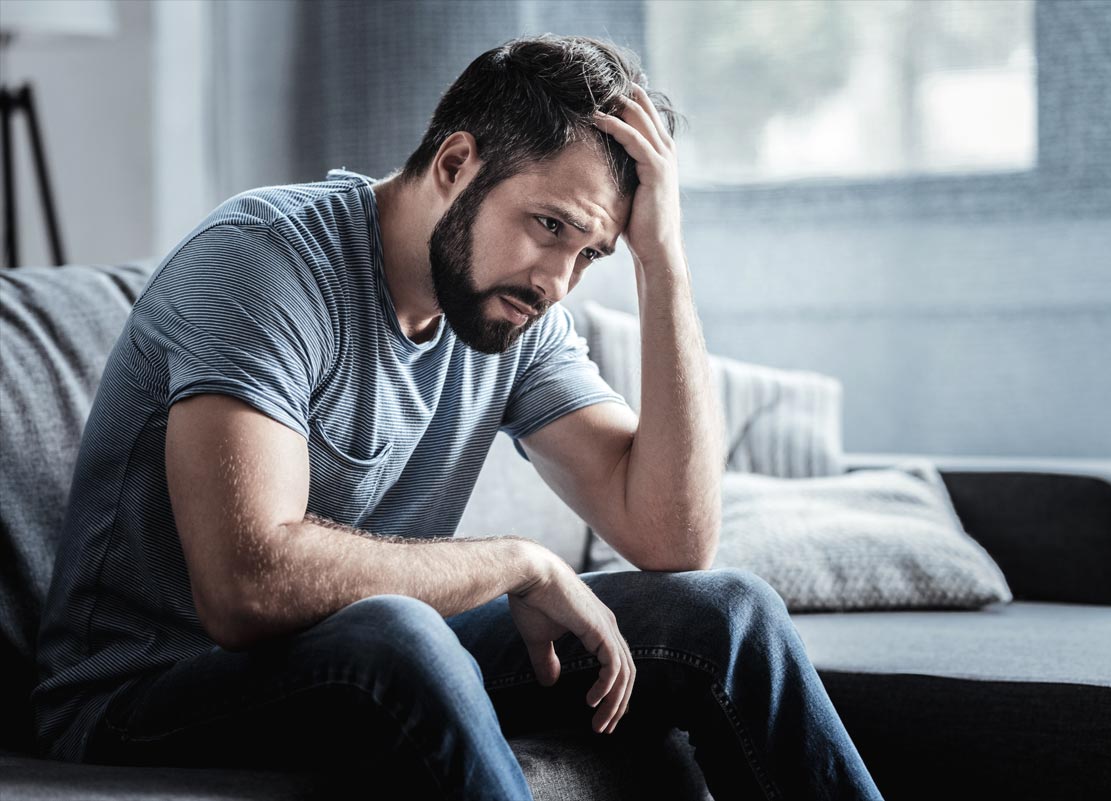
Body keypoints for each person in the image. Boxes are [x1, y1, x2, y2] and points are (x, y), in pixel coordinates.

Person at [32, 34, 883, 800]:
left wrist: (666, 261)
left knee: (726, 613)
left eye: (589, 253)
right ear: (455, 163)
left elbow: (671, 535)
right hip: (143, 690)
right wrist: (516, 562)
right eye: (548, 225)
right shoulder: (262, 263)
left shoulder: (519, 311)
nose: (559, 279)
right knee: (400, 629)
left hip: (375, 657)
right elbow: (246, 586)